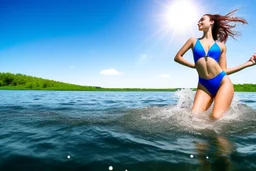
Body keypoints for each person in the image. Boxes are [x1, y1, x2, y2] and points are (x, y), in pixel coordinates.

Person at [174, 9, 256, 120]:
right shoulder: (193, 41)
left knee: (216, 117)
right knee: (194, 118)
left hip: (222, 82)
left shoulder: (221, 46)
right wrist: (194, 65)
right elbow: (178, 57)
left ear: (211, 22)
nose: (198, 22)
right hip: (203, 85)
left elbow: (224, 70)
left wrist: (248, 63)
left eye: (202, 20)